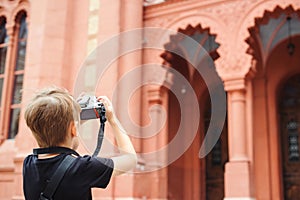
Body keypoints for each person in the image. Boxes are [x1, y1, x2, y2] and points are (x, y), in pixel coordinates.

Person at [22, 87, 137, 200]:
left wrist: (71, 117)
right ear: (74, 128)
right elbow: (130, 159)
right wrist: (112, 119)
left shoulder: (28, 164)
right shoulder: (82, 168)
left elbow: (61, 129)